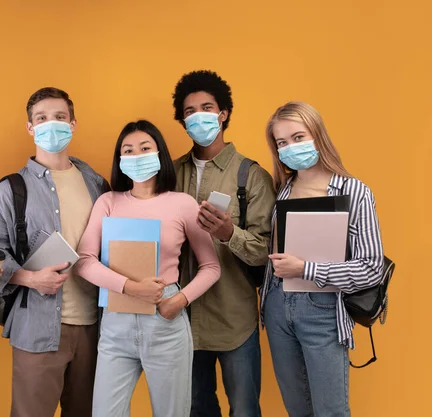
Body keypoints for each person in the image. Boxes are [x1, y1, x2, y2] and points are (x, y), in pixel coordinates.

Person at [0, 87, 110, 417]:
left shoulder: (97, 183)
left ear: (74, 123)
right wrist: (30, 278)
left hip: (96, 329)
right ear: (30, 127)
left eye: (60, 117)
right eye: (42, 118)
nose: (52, 124)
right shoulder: (11, 189)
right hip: (37, 330)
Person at [76, 119, 221, 417]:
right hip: (116, 320)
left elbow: (211, 267)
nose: (136, 155)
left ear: (160, 154)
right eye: (127, 150)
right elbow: (84, 261)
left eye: (145, 148)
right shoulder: (108, 202)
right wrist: (130, 287)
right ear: (120, 160)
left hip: (165, 320)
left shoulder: (182, 204)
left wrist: (179, 300)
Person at [261, 102, 384, 417]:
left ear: (318, 135)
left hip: (324, 310)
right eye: (282, 142)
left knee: (331, 411)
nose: (290, 147)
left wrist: (306, 268)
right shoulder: (282, 191)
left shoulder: (355, 192)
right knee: (296, 409)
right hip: (277, 305)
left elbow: (372, 268)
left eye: (298, 137)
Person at [172, 70, 275, 417]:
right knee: (195, 408)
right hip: (181, 318)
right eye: (189, 111)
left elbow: (267, 252)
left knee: (245, 409)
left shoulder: (251, 175)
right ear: (181, 120)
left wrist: (230, 234)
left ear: (223, 113)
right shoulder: (169, 174)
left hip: (235, 317)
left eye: (206, 107)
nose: (198, 116)